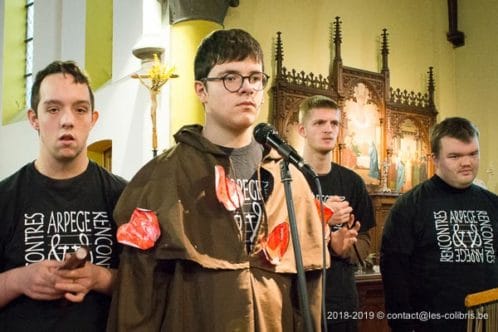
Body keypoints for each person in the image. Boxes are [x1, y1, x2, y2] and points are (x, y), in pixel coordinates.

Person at [106, 29, 344, 331]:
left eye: (255, 78)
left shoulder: (290, 177)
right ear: (201, 90)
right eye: (230, 77)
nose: (247, 89)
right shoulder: (161, 177)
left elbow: (309, 295)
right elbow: (136, 299)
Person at [0, 61, 127, 331]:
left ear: (93, 119)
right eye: (53, 109)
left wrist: (99, 277)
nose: (67, 120)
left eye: (80, 109)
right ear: (33, 118)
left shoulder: (123, 196)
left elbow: (150, 287)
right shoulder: (5, 198)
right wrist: (19, 280)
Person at [380, 117, 498, 332]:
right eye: (455, 156)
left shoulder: (493, 204)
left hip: (489, 322)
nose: (467, 162)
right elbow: (395, 275)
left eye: (473, 154)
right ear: (434, 158)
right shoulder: (409, 207)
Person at [298, 95, 375, 332]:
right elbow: (272, 239)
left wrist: (345, 249)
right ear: (302, 130)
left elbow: (365, 240)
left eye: (334, 124)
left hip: (340, 299)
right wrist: (321, 218)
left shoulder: (352, 182)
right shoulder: (287, 177)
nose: (328, 129)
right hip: (297, 297)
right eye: (319, 123)